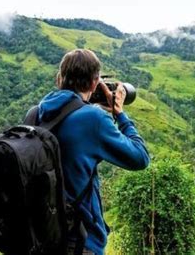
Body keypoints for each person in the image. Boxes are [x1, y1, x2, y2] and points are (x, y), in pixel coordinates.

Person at [34, 49, 150, 255]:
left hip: (40, 237)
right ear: (95, 83)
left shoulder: (35, 113)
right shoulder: (93, 119)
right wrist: (120, 114)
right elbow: (140, 158)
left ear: (59, 78)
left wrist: (83, 106)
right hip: (80, 241)